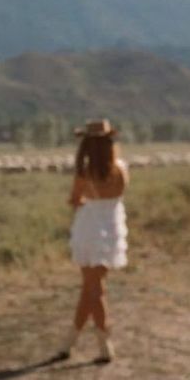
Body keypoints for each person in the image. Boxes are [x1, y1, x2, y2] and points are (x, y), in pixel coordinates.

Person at [58, 119, 128, 363]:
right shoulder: (120, 169)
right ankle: (70, 339)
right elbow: (120, 193)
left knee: (93, 288)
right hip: (112, 225)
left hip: (89, 225)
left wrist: (85, 200)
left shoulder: (85, 172)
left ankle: (104, 340)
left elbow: (74, 199)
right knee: (92, 286)